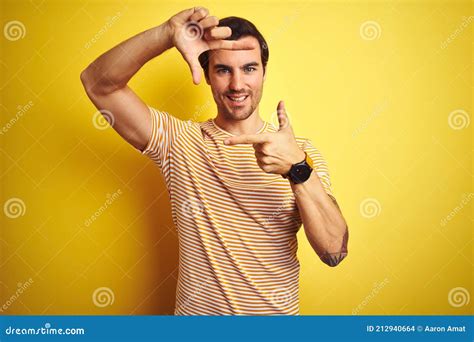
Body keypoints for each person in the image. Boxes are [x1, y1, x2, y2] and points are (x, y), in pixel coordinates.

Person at [80, 6, 349, 315]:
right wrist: (165, 34)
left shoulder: (299, 151)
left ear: (264, 72)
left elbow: (334, 252)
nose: (237, 84)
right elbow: (98, 83)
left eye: (249, 68)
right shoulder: (178, 141)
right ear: (207, 74)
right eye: (223, 70)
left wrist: (297, 169)